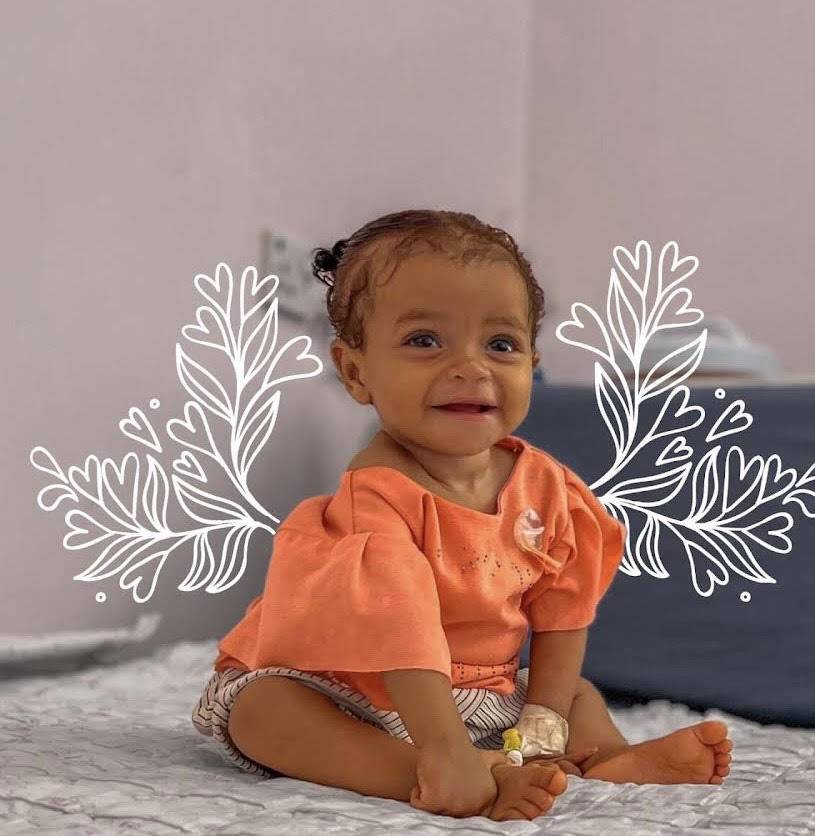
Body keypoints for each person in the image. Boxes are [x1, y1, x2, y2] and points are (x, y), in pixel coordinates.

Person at [191, 209, 733, 822]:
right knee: (263, 712)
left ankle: (605, 757)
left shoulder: (549, 489)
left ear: (531, 364)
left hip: (480, 694)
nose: (472, 368)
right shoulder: (379, 501)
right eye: (425, 341)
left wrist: (543, 724)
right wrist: (444, 746)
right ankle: (428, 773)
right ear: (356, 372)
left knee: (571, 692)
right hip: (356, 689)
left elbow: (563, 611)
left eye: (501, 345)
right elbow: (399, 629)